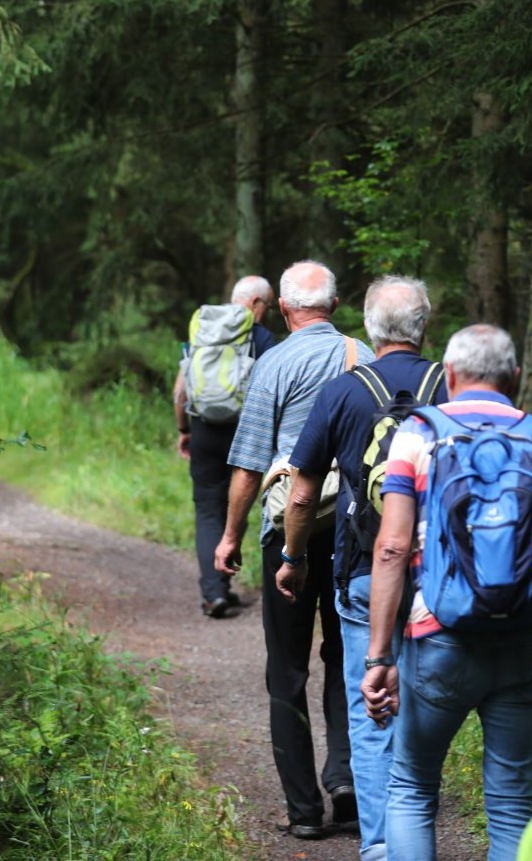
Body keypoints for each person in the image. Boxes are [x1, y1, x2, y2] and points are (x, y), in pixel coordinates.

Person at [361, 324, 532, 861]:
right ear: (515, 377)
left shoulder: (417, 434)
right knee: (511, 803)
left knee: (413, 788)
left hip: (439, 634)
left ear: (451, 375)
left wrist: (379, 656)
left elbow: (391, 549)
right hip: (529, 639)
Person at [280, 275, 447, 861]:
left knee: (370, 703)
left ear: (370, 329)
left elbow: (301, 495)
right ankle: (418, 832)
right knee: (427, 703)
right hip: (441, 579)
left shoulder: (342, 392)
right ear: (424, 325)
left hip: (362, 569)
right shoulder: (449, 387)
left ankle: (382, 848)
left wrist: (293, 558)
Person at [213, 260, 371, 839]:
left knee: (286, 669)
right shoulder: (366, 358)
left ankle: (304, 812)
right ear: (336, 304)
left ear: (283, 309)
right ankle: (347, 775)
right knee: (345, 655)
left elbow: (250, 462)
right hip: (355, 534)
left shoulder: (274, 363)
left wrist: (229, 535)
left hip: (290, 534)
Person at [174, 275, 276, 618]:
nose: (268, 313)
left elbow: (180, 391)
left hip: (204, 430)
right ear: (255, 304)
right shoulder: (262, 339)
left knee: (207, 511)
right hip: (245, 433)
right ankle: (222, 583)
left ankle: (214, 592)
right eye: (269, 306)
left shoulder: (202, 329)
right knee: (239, 505)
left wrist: (183, 428)